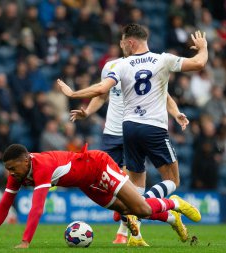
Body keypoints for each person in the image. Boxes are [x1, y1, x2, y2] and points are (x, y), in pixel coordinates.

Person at [58, 23, 207, 243]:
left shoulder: (121, 65)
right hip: (152, 127)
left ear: (130, 41)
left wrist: (73, 93)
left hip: (128, 128)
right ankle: (163, 203)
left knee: (134, 183)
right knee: (173, 180)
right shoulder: (161, 59)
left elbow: (100, 89)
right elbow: (199, 63)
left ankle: (132, 230)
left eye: (122, 41)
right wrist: (203, 47)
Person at [0, 144, 201, 249]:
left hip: (98, 166)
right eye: (8, 169)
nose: (10, 173)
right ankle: (172, 218)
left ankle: (175, 203)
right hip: (86, 183)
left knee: (141, 209)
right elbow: (4, 205)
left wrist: (25, 242)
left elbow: (37, 207)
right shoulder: (17, 173)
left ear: (26, 161)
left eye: (13, 168)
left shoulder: (41, 166)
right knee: (125, 211)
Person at [70, 55, 189, 245]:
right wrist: (87, 112)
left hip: (130, 130)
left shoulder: (148, 65)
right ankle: (170, 217)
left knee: (130, 189)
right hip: (110, 134)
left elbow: (164, 96)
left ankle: (127, 234)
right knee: (109, 189)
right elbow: (101, 95)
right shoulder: (111, 66)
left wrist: (175, 114)